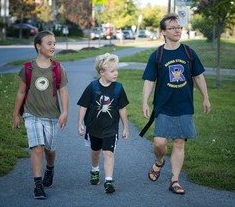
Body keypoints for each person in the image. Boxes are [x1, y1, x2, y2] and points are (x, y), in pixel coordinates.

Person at [141, 13, 211, 195]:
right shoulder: (157, 55)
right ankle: (159, 161)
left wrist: (206, 97)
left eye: (179, 27)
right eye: (172, 28)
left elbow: (198, 76)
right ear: (163, 32)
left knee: (179, 142)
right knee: (159, 143)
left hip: (184, 105)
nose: (177, 30)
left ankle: (175, 180)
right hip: (163, 106)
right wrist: (145, 102)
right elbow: (149, 81)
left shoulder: (188, 52)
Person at [12, 30, 69, 199]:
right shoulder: (28, 68)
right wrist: (16, 115)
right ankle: (38, 185)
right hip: (32, 113)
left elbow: (63, 92)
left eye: (54, 43)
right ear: (38, 46)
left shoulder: (58, 68)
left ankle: (50, 168)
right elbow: (21, 93)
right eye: (49, 43)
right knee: (38, 147)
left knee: (49, 150)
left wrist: (65, 112)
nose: (53, 46)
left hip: (52, 115)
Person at [77, 53, 129, 193]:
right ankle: (95, 170)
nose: (116, 73)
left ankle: (108, 181)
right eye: (112, 71)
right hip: (93, 128)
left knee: (108, 153)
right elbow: (83, 105)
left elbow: (122, 108)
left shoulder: (118, 88)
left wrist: (125, 127)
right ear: (102, 72)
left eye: (116, 70)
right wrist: (80, 123)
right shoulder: (92, 87)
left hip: (110, 129)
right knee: (95, 151)